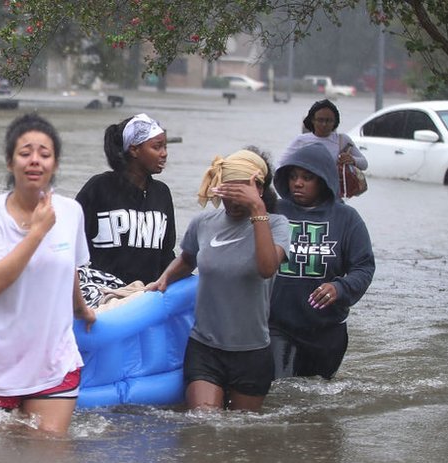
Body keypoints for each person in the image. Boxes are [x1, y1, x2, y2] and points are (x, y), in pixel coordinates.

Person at [0, 113, 96, 435]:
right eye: (25, 153)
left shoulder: (71, 212)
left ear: (55, 164)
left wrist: (81, 309)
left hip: (53, 360)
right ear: (10, 163)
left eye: (44, 154)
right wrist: (36, 233)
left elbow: (70, 268)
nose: (35, 160)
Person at [146, 149, 290, 412]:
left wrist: (257, 208)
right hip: (205, 347)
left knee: (240, 434)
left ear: (257, 188)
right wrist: (164, 278)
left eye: (239, 194)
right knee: (204, 423)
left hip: (252, 351)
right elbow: (188, 259)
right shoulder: (203, 222)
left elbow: (267, 268)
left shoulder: (277, 225)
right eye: (227, 193)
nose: (232, 203)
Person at [269, 142, 376, 380]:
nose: (298, 183)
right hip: (278, 325)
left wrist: (340, 288)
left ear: (324, 180)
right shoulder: (273, 211)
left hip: (327, 329)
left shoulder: (347, 218)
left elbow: (364, 267)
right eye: (293, 176)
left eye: (307, 177)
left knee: (315, 399)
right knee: (280, 391)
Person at [75, 113, 176, 287]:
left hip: (147, 297)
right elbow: (71, 243)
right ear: (134, 149)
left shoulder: (162, 193)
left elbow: (167, 253)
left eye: (165, 147)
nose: (164, 154)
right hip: (105, 295)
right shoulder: (98, 187)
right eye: (157, 147)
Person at [278, 99, 368, 173]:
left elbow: (364, 164)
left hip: (333, 192)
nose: (324, 124)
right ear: (313, 120)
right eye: (320, 120)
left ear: (335, 122)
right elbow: (281, 163)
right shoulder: (301, 140)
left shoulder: (342, 140)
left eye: (329, 120)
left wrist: (352, 160)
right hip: (307, 192)